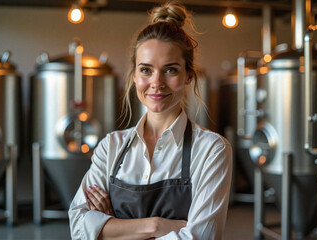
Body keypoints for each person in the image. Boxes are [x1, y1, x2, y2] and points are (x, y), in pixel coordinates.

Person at [69, 1, 232, 239]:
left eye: (170, 70)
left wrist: (111, 227)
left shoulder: (212, 150)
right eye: (146, 70)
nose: (157, 82)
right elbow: (78, 228)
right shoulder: (110, 147)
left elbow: (199, 237)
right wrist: (156, 226)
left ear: (188, 76)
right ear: (134, 76)